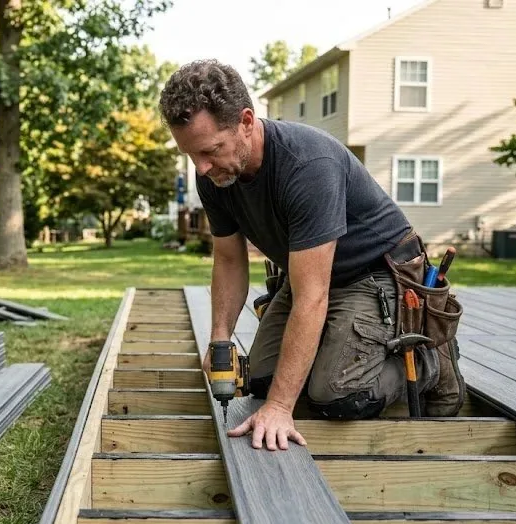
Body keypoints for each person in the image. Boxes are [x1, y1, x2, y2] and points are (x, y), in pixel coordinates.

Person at [157, 59, 465, 452]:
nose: (201, 167)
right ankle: (334, 353)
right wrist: (220, 340)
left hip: (375, 277)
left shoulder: (307, 165)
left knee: (337, 396)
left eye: (211, 150)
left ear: (246, 122)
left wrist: (280, 408)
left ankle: (430, 361)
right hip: (309, 275)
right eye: (191, 154)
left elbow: (312, 297)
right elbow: (230, 261)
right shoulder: (214, 175)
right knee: (261, 381)